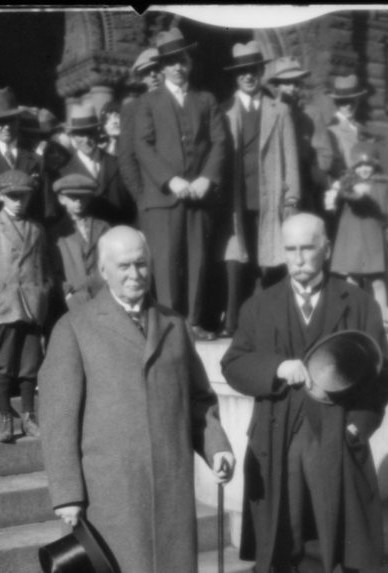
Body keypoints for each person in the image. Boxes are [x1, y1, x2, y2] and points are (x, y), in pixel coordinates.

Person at [38, 226, 235, 573]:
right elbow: (58, 417)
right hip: (110, 490)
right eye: (123, 265)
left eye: (141, 264)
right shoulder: (75, 327)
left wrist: (215, 447)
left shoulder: (172, 323)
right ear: (102, 271)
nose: (134, 273)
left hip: (167, 482)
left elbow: (198, 400)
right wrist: (68, 493)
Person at [221, 213, 388, 573]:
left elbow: (381, 374)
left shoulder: (357, 303)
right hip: (276, 445)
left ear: (326, 247)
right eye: (290, 249)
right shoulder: (261, 305)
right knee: (283, 549)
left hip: (337, 441)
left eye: (307, 248)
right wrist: (276, 366)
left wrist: (361, 423)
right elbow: (233, 363)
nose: (298, 259)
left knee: (341, 550)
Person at [133, 28, 228, 340]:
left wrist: (206, 178)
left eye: (182, 60)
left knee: (198, 260)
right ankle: (170, 327)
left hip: (199, 196)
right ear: (162, 67)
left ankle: (195, 321)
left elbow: (219, 142)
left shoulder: (206, 99)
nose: (178, 67)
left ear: (189, 63)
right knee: (167, 261)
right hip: (164, 197)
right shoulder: (148, 102)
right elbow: (143, 146)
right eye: (171, 61)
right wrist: (170, 179)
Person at [220, 41, 301, 336]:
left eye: (252, 70)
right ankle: (234, 324)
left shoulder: (278, 110)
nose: (248, 76)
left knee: (272, 262)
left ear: (260, 71)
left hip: (270, 198)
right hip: (235, 200)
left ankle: (273, 324)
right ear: (236, 76)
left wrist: (291, 196)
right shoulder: (224, 110)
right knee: (238, 262)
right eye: (242, 71)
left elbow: (289, 156)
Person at [0, 170, 51, 443]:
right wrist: (1, 294)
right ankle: (7, 418)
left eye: (24, 196)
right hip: (4, 308)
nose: (19, 201)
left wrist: (42, 292)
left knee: (29, 365)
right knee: (4, 365)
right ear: (0, 196)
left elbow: (45, 268)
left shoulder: (37, 229)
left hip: (32, 306)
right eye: (12, 196)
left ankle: (30, 417)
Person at [328, 142, 388, 327]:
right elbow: (337, 201)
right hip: (352, 239)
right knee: (351, 281)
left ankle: (382, 320)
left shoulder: (384, 186)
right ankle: (350, 319)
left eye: (368, 165)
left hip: (373, 239)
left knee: (377, 281)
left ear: (375, 165)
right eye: (360, 166)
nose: (364, 169)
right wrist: (341, 192)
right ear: (353, 167)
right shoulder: (346, 187)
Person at [268, 56, 332, 215]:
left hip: (303, 186)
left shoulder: (310, 114)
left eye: (296, 83)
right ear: (277, 86)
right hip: (271, 183)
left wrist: (310, 172)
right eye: (286, 83)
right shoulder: (268, 111)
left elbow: (325, 154)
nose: (292, 88)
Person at [0, 87, 42, 228]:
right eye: (0, 121)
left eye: (11, 120)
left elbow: (46, 208)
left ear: (18, 121)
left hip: (27, 239)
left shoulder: (35, 160)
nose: (6, 127)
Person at [60, 103, 135, 225]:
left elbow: (131, 204)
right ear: (72, 136)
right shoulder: (65, 172)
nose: (86, 140)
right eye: (80, 134)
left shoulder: (118, 164)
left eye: (90, 133)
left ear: (97, 132)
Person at [48, 173, 110, 316]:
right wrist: (68, 294)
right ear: (61, 199)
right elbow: (53, 271)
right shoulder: (56, 233)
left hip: (104, 295)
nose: (78, 202)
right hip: (75, 300)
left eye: (82, 197)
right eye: (72, 197)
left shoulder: (103, 227)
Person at [118, 46, 162, 205]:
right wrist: (141, 197)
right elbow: (127, 158)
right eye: (146, 72)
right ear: (141, 78)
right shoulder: (133, 109)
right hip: (154, 195)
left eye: (157, 69)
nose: (153, 75)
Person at [326, 75, 370, 179]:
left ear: (358, 100)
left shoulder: (360, 128)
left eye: (352, 101)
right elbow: (335, 165)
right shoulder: (332, 130)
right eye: (343, 102)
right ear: (336, 103)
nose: (349, 106)